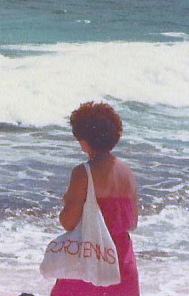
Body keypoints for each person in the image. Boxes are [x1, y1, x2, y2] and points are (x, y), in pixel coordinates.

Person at [51, 102, 139, 296]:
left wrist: (66, 203)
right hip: (122, 261)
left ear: (83, 141)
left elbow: (68, 222)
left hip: (91, 259)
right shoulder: (127, 173)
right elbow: (133, 221)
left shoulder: (83, 173)